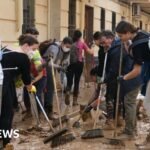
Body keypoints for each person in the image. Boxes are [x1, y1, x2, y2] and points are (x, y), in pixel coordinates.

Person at [0, 35, 38, 148]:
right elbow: (26, 78)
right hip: (4, 83)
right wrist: (29, 86)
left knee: (6, 111)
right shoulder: (23, 57)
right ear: (26, 45)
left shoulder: (6, 49)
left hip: (7, 82)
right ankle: (6, 142)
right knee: (7, 112)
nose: (34, 52)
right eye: (34, 49)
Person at [39, 37, 73, 119]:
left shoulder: (65, 50)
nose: (67, 48)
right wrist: (59, 67)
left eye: (69, 47)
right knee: (50, 89)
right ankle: (48, 111)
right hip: (45, 68)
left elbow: (64, 60)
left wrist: (64, 63)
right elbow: (49, 63)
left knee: (50, 89)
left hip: (52, 68)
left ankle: (46, 110)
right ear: (62, 43)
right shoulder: (54, 48)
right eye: (66, 46)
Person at [65, 30, 94, 106]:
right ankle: (74, 101)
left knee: (69, 82)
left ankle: (67, 92)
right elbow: (90, 52)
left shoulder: (70, 43)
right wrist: (92, 47)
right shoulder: (82, 43)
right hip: (79, 64)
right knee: (77, 82)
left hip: (70, 64)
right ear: (80, 36)